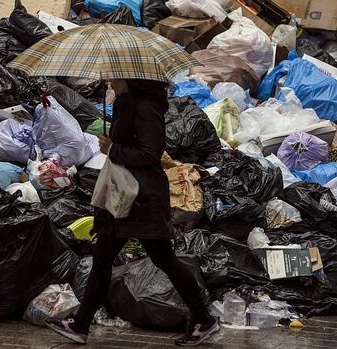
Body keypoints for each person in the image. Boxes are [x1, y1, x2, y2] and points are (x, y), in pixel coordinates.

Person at [46, 79, 219, 346]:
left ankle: (203, 320)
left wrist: (113, 148)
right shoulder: (125, 104)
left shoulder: (147, 108)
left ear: (132, 78)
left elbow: (150, 153)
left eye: (117, 76)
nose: (111, 80)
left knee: (164, 259)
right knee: (102, 259)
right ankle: (80, 325)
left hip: (142, 198)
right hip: (123, 196)